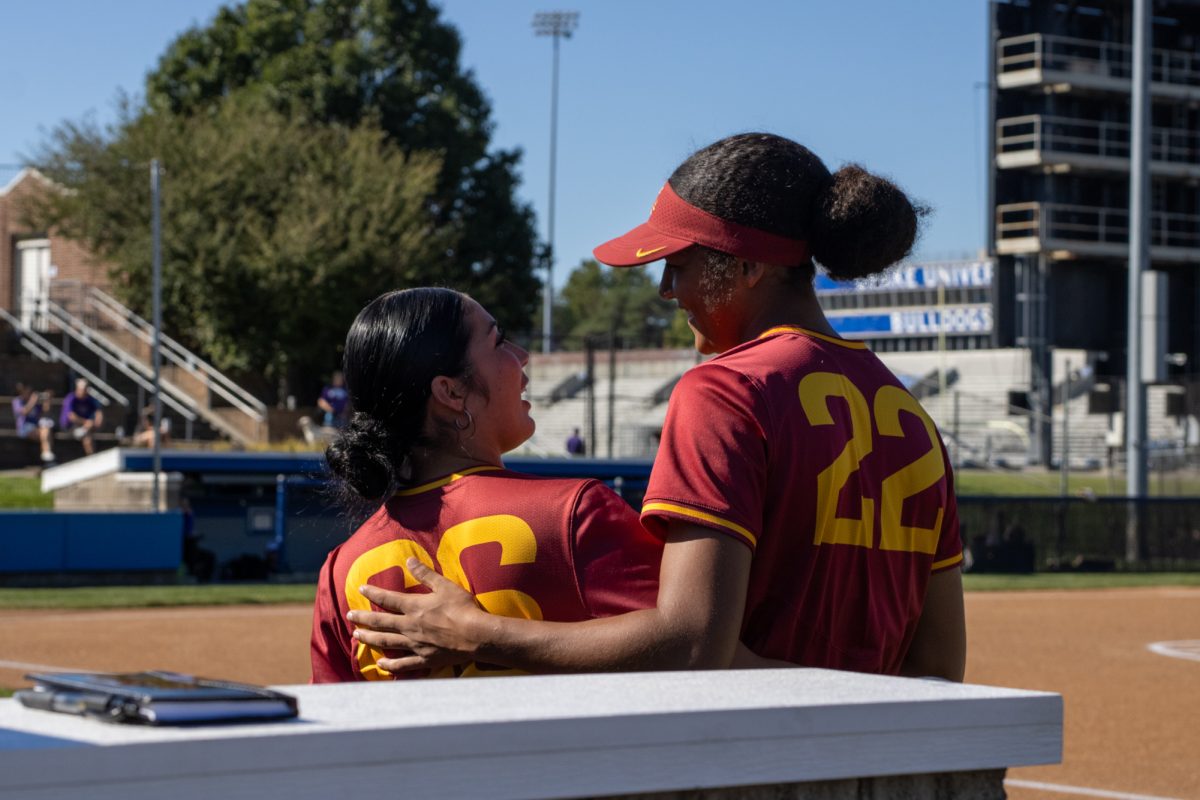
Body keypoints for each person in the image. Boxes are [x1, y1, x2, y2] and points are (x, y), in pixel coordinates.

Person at [349, 133, 966, 681]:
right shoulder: (913, 416)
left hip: (760, 764)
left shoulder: (725, 390)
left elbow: (693, 644)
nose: (667, 289)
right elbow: (940, 665)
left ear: (749, 265)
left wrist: (478, 633)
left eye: (679, 263)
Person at [310, 288, 662, 682]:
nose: (522, 355)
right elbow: (704, 649)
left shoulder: (341, 570)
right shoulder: (572, 512)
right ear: (451, 391)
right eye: (498, 342)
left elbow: (334, 729)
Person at [12, 383, 55, 463]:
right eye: (28, 391)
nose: (30, 393)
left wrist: (48, 401)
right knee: (46, 434)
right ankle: (48, 459)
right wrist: (32, 401)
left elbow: (45, 412)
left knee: (46, 430)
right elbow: (24, 412)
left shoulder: (36, 402)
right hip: (24, 429)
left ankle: (46, 454)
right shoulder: (17, 401)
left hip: (37, 428)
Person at [60, 378, 103, 456]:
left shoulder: (89, 399)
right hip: (70, 427)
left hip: (85, 427)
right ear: (77, 388)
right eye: (82, 389)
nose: (84, 391)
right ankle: (91, 457)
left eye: (86, 389)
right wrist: (86, 422)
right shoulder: (71, 398)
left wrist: (97, 423)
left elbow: (98, 411)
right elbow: (71, 417)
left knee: (88, 433)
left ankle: (91, 456)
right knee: (87, 435)